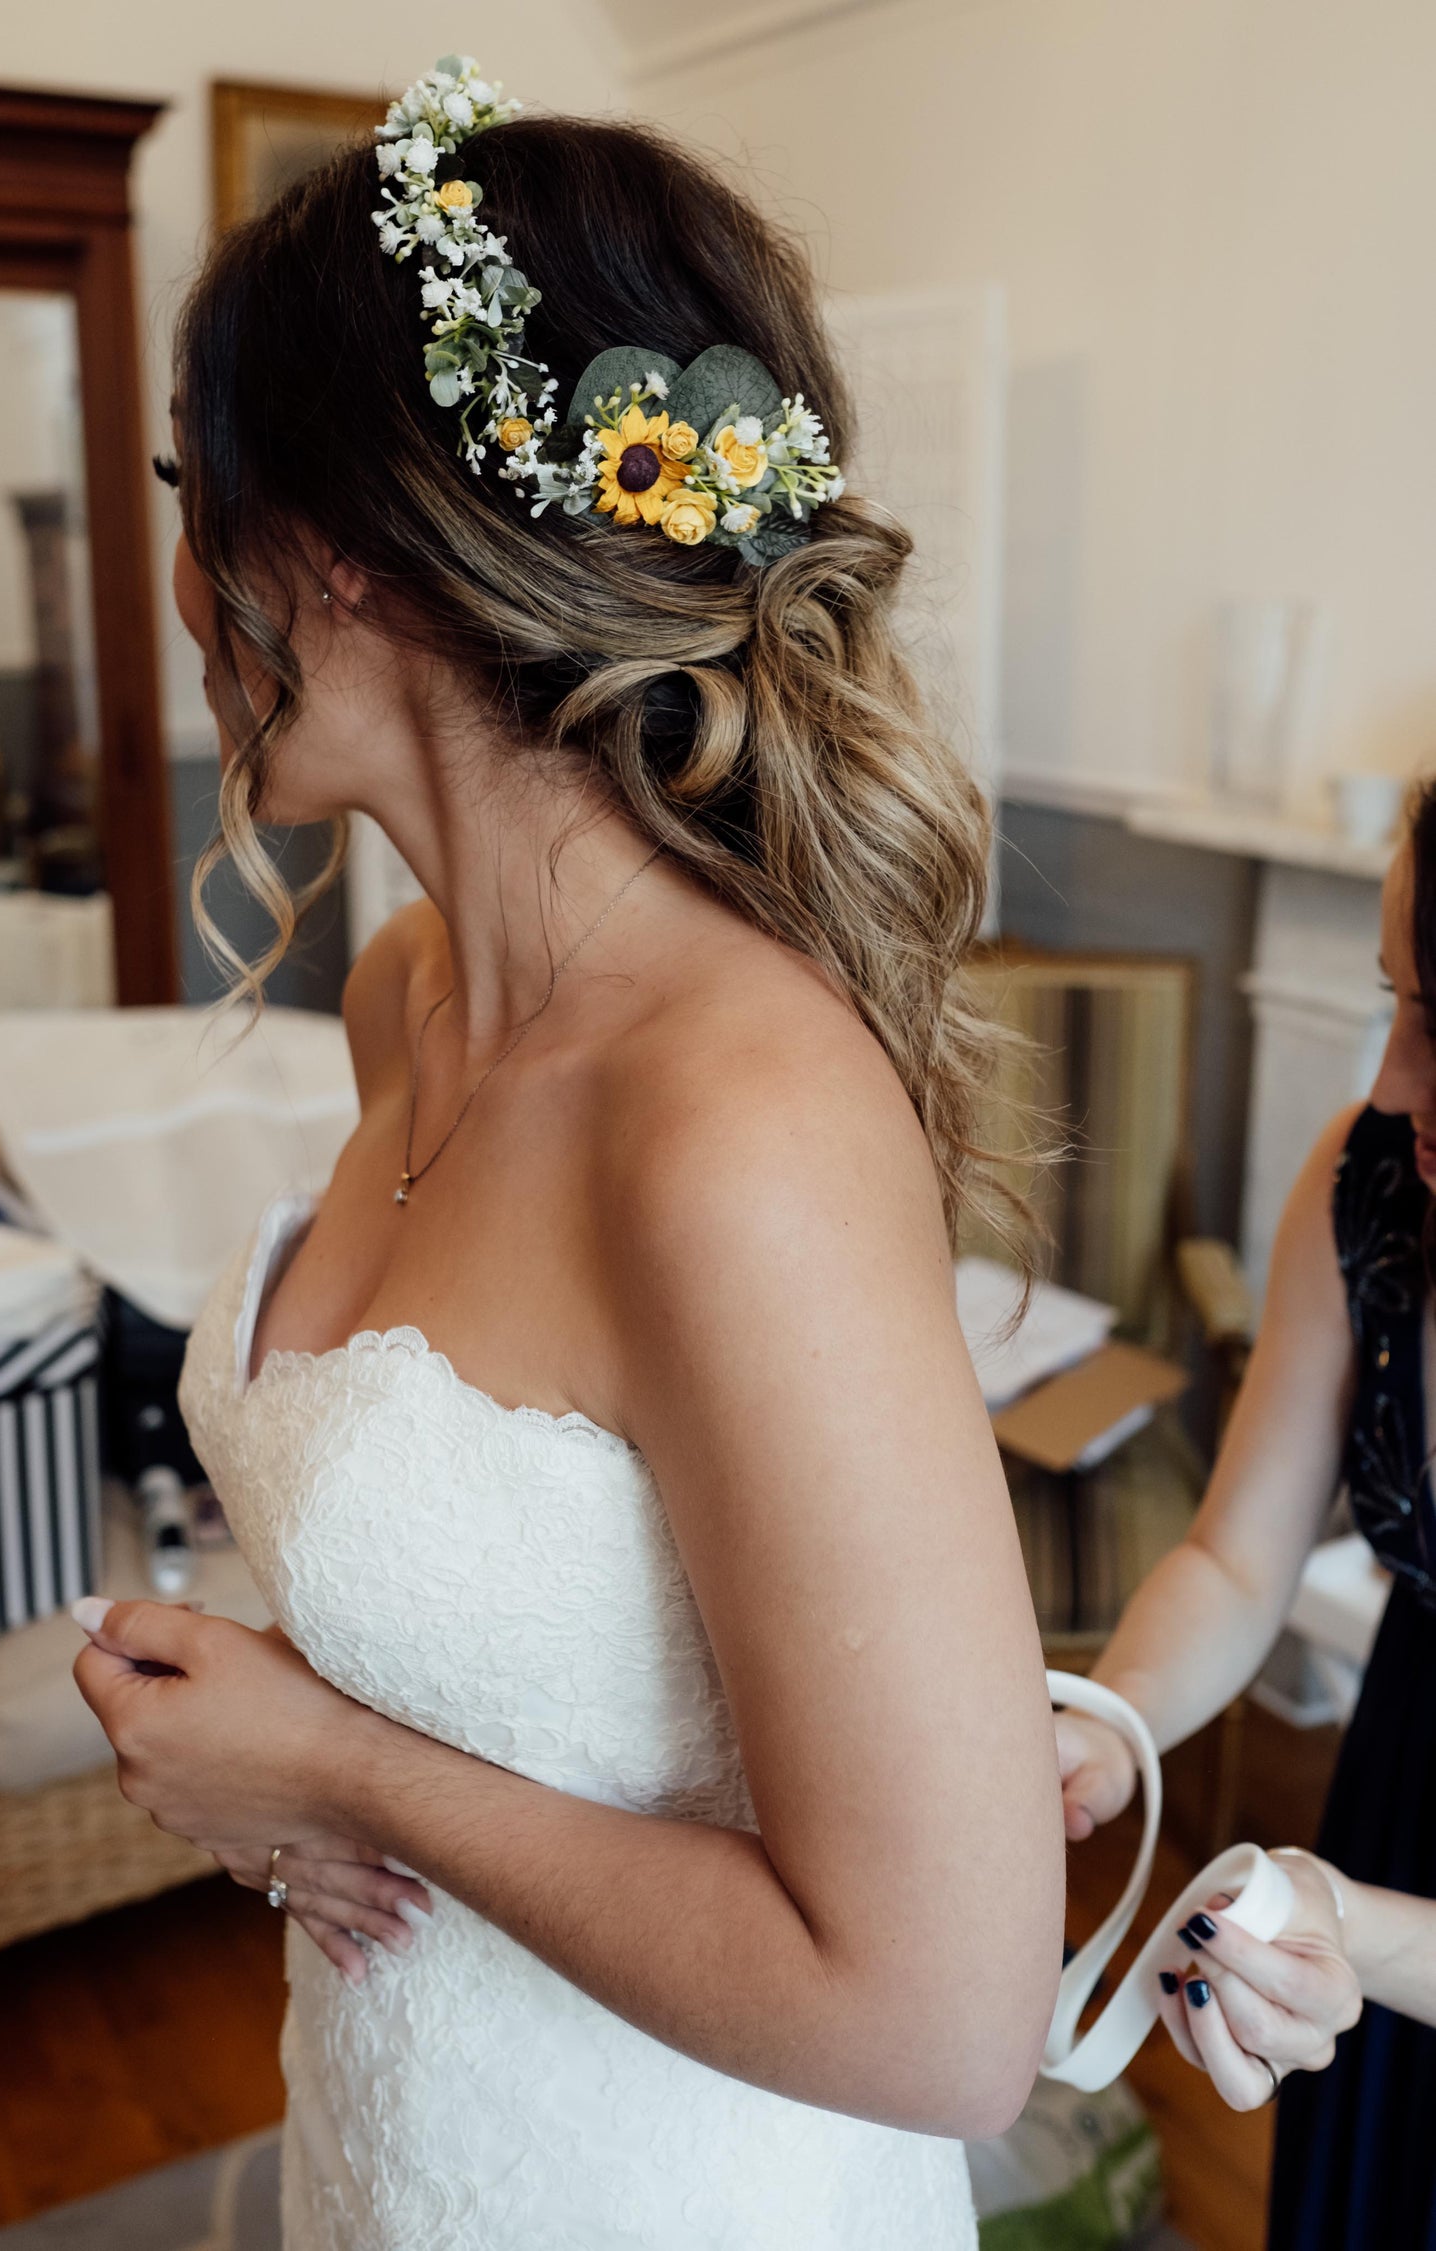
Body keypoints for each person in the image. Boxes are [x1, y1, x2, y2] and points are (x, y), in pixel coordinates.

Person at [71, 63, 1064, 2251]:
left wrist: (328, 1769)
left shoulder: (735, 1121)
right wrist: (257, 1731)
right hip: (411, 2136)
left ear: (336, 548)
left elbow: (947, 2015)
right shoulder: (400, 997)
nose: (173, 568)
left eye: (188, 488)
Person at [1057, 780, 1436, 2246]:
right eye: (1397, 997)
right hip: (1400, 1779)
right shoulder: (1370, 1190)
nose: (1393, 1081)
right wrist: (1116, 1719)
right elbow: (1232, 1554)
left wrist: (1355, 1926)